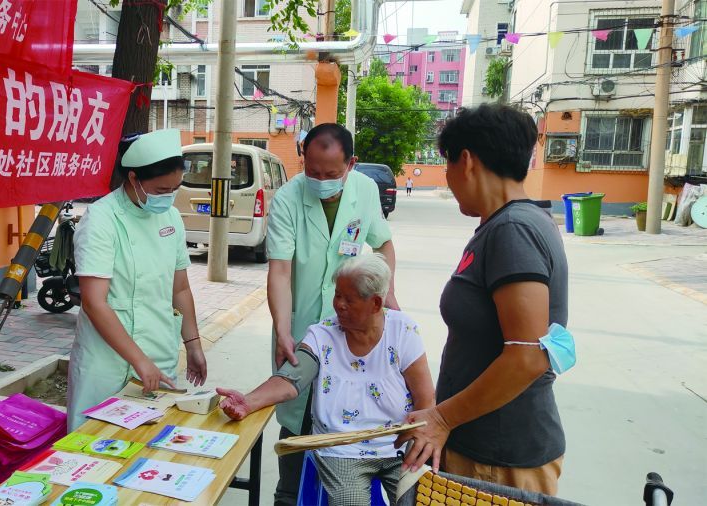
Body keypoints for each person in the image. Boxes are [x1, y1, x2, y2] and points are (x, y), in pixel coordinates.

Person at [398, 105, 568, 495]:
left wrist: (442, 418)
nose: (448, 177)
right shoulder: (506, 224)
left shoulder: (514, 229)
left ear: (468, 161)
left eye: (447, 164)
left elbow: (527, 355)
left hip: (498, 457)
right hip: (481, 447)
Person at [217, 254, 434, 505]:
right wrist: (248, 401)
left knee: (423, 500)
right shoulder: (323, 334)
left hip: (398, 445)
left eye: (349, 299)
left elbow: (425, 398)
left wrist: (419, 441)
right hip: (342, 449)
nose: (339, 304)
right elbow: (290, 380)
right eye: (337, 295)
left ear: (375, 303)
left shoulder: (402, 331)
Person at [266, 123, 400, 504]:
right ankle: (289, 495)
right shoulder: (288, 199)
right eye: (313, 172)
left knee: (349, 425)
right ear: (303, 160)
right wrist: (283, 329)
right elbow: (280, 271)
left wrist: (387, 293)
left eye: (331, 174)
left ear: (351, 164)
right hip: (303, 327)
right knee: (298, 426)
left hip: (352, 329)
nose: (321, 181)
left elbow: (383, 244)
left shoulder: (365, 191)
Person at [66, 129, 207, 431]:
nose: (168, 197)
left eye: (175, 189)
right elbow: (94, 302)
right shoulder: (101, 219)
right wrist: (139, 360)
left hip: (159, 350)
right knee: (95, 443)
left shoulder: (171, 218)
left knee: (150, 446)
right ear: (133, 178)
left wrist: (193, 344)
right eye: (161, 190)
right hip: (107, 360)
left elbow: (180, 288)